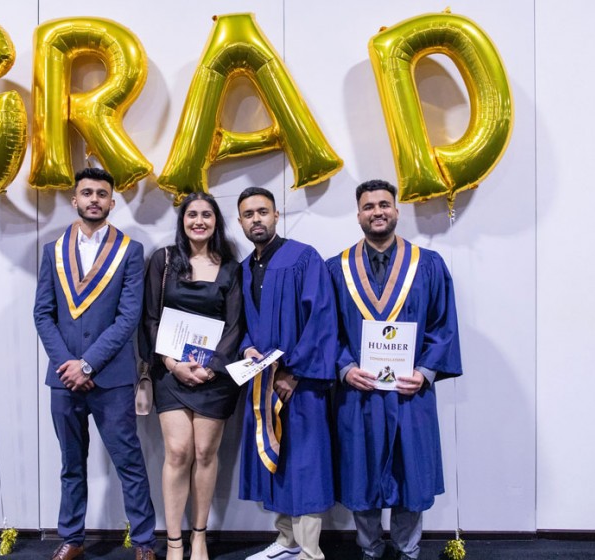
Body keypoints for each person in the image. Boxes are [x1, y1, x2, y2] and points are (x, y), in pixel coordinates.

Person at [327, 180, 463, 560]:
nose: (377, 212)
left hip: (410, 392)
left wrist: (426, 372)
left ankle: (408, 550)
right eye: (368, 206)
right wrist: (344, 368)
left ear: (397, 211)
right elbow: (326, 332)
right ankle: (369, 549)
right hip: (360, 392)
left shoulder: (428, 265)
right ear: (358, 215)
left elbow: (443, 325)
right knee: (361, 471)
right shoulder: (336, 269)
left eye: (384, 204)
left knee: (411, 472)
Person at [33, 167, 157, 560]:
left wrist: (87, 364)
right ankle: (71, 537)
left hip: (112, 379)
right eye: (86, 192)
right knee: (71, 465)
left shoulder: (130, 250)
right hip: (63, 379)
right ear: (75, 200)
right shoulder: (52, 251)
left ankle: (144, 542)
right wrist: (68, 364)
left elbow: (128, 316)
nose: (94, 199)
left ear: (111, 202)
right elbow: (43, 314)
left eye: (101, 194)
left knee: (129, 463)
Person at [139, 192, 244, 560]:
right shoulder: (163, 260)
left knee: (205, 452)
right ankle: (173, 542)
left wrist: (210, 366)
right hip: (171, 374)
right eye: (192, 215)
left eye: (207, 215)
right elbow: (150, 318)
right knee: (179, 452)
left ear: (216, 222)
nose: (199, 220)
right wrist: (171, 363)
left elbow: (234, 326)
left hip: (214, 376)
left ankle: (199, 537)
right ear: (182, 221)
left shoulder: (232, 268)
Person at [236, 187, 337, 560]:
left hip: (300, 385)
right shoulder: (245, 268)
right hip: (263, 383)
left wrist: (294, 373)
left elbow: (321, 319)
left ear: (276, 215)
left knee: (305, 462)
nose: (256, 219)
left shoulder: (303, 258)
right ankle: (286, 541)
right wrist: (246, 346)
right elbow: (246, 322)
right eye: (248, 214)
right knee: (272, 456)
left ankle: (310, 550)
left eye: (263, 211)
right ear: (241, 222)